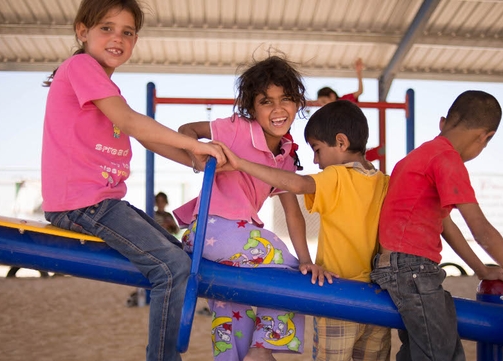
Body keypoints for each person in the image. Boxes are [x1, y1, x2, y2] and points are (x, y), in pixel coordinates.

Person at [40, 1, 226, 360]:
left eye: (127, 32)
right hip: (83, 203)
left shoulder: (102, 87)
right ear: (82, 31)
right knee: (172, 268)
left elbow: (147, 137)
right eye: (106, 28)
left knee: (179, 255)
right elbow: (131, 122)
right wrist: (193, 143)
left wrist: (194, 160)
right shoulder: (80, 66)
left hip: (102, 203)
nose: (117, 38)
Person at [371, 90, 503, 361]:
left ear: (443, 123)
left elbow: (446, 224)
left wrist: (480, 270)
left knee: (440, 351)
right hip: (412, 269)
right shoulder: (447, 159)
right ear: (485, 137)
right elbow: (481, 230)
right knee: (438, 355)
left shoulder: (418, 157)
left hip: (406, 268)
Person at [174, 54, 328, 361]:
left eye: (285, 99)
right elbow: (186, 129)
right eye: (266, 102)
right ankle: (263, 348)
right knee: (286, 269)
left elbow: (293, 212)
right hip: (213, 228)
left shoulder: (285, 157)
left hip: (231, 244)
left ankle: (238, 356)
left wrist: (306, 259)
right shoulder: (237, 130)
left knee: (232, 311)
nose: (277, 109)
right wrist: (200, 157)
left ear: (297, 103)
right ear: (251, 109)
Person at [218, 99, 393, 361]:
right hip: (378, 299)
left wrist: (241, 164)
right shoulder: (385, 182)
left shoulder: (338, 176)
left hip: (337, 295)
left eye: (317, 149)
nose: (315, 160)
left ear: (341, 143)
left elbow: (297, 184)